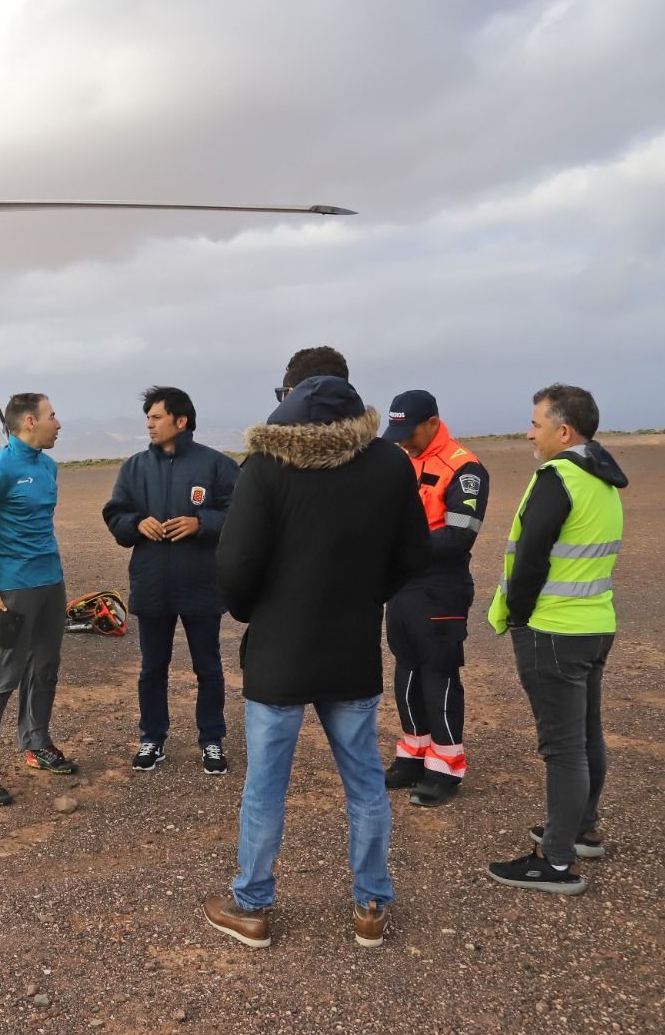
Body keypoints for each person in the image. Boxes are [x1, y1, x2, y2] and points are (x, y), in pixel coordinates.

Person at [205, 373, 428, 950]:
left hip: (279, 650)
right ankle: (371, 905)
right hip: (351, 647)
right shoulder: (389, 465)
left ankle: (252, 906)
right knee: (364, 782)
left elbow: (236, 564)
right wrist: (364, 596)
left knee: (264, 786)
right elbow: (413, 555)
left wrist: (256, 609)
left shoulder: (266, 466)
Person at [485, 384, 625, 895]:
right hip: (594, 625)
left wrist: (519, 616)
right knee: (587, 734)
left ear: (563, 431)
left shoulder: (558, 476)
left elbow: (529, 561)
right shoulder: (603, 479)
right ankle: (579, 829)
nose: (529, 433)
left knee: (564, 747)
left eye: (536, 424)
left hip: (554, 630)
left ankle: (558, 861)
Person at [103, 386, 240, 774]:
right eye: (147, 418)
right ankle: (152, 738)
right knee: (152, 668)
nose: (149, 424)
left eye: (156, 417)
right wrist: (135, 522)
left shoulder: (217, 465)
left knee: (208, 667)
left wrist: (203, 522)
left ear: (181, 421)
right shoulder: (134, 467)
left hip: (200, 584)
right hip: (152, 584)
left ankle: (211, 740)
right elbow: (116, 515)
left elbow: (242, 514)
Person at [0, 393, 76, 806]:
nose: (58, 423)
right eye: (53, 415)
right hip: (13, 590)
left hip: (51, 582)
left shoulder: (47, 467)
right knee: (4, 676)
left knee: (46, 666)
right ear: (30, 421)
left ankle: (36, 742)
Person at [380, 390, 490, 807]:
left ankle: (445, 768)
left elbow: (460, 535)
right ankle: (413, 756)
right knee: (406, 670)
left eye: (409, 432)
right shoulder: (404, 461)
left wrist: (401, 545)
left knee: (438, 674)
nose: (404, 440)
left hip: (441, 587)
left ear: (432, 422)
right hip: (403, 586)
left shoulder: (465, 469)